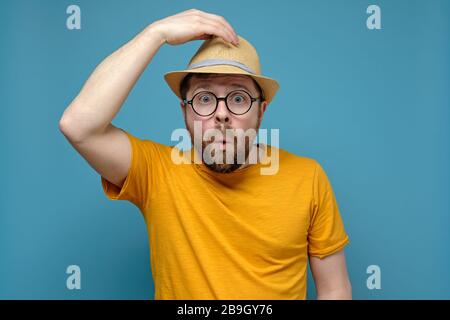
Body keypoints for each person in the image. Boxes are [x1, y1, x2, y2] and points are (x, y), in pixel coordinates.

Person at [59, 8, 351, 300]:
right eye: (205, 98)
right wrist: (155, 33)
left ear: (261, 111)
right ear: (185, 110)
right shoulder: (156, 172)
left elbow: (334, 288)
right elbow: (79, 126)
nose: (221, 114)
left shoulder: (308, 177)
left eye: (238, 98)